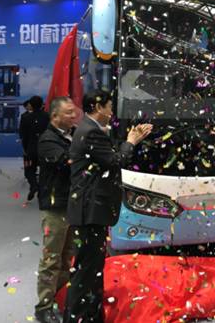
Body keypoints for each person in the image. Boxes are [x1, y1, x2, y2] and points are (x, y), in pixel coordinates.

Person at [63, 90, 152, 322]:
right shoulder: (90, 132)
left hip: (89, 211)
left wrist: (130, 140)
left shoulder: (89, 129)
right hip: (90, 211)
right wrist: (131, 142)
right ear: (97, 106)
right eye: (110, 106)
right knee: (86, 272)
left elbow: (108, 156)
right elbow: (116, 160)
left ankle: (91, 317)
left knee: (91, 270)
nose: (112, 111)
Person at [34, 97, 77, 323]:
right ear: (55, 116)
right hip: (55, 208)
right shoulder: (48, 140)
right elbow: (67, 162)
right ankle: (43, 306)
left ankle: (60, 298)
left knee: (67, 256)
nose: (74, 116)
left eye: (74, 111)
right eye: (68, 112)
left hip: (72, 205)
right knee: (52, 258)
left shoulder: (73, 134)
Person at [19, 95, 49, 201]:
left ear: (30, 105)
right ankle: (41, 190)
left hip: (30, 149)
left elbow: (23, 135)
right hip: (45, 149)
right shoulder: (47, 116)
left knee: (28, 170)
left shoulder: (25, 117)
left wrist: (25, 149)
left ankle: (34, 185)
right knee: (45, 171)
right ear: (42, 104)